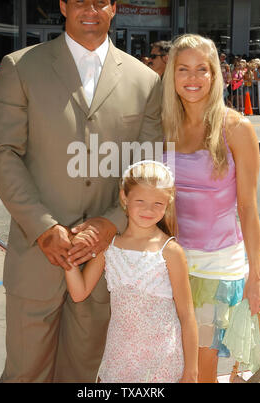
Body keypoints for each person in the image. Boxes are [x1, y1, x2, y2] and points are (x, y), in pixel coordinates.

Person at [0, 0, 162, 383]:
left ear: (114, 8)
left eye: (101, 1)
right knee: (25, 372)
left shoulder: (144, 80)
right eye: (80, 0)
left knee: (85, 375)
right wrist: (43, 226)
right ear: (63, 6)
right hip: (37, 255)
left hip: (105, 261)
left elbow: (149, 167)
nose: (90, 9)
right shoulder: (21, 66)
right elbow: (1, 152)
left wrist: (111, 222)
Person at [162, 33, 260, 383]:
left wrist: (256, 276)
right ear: (171, 75)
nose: (192, 79)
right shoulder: (162, 126)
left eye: (201, 69)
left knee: (201, 372)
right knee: (174, 367)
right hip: (168, 265)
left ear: (214, 75)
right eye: (183, 69)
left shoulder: (236, 128)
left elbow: (249, 209)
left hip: (216, 269)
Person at [65, 160, 198, 383]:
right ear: (124, 198)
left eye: (158, 203)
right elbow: (79, 293)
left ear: (168, 202)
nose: (148, 209)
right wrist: (68, 256)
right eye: (140, 201)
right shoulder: (109, 245)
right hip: (120, 358)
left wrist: (191, 372)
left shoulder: (171, 251)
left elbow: (187, 314)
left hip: (162, 360)